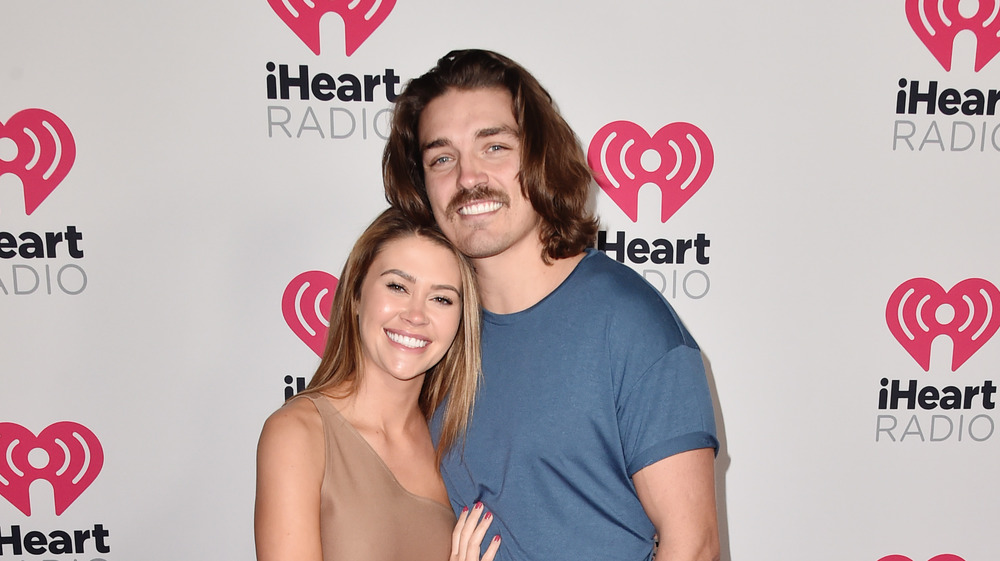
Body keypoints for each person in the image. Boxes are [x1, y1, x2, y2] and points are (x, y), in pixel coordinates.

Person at [383, 49, 720, 561]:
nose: (468, 178)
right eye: (442, 158)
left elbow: (692, 546)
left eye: (494, 147)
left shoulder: (629, 325)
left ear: (539, 158)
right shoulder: (428, 335)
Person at [254, 208, 502, 561]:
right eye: (397, 287)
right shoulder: (298, 434)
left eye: (441, 298)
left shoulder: (459, 442)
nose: (415, 315)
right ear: (356, 295)